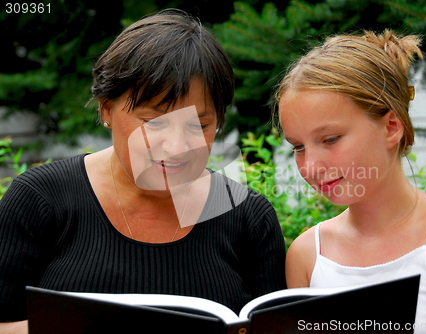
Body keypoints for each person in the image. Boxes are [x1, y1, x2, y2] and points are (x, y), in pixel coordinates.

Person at [0, 9, 286, 333]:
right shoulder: (40, 201)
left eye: (199, 124)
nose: (177, 146)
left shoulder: (248, 217)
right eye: (154, 122)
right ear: (106, 108)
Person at [276, 30, 426, 332]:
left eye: (330, 139)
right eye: (299, 147)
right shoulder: (307, 255)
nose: (311, 166)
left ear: (391, 127)